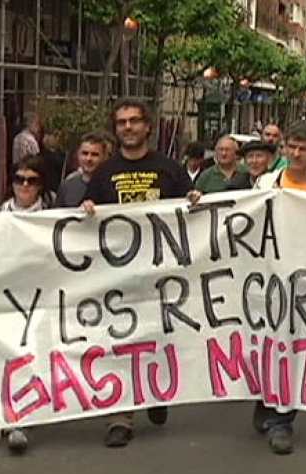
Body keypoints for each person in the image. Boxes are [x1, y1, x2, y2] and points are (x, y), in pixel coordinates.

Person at [189, 121, 306, 455]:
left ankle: (282, 418)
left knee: (295, 347)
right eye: (292, 147)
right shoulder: (264, 185)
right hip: (265, 278)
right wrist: (202, 203)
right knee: (266, 344)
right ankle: (265, 394)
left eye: (304, 149)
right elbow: (237, 215)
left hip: (303, 283)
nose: (296, 154)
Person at [80, 98, 192, 448]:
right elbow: (86, 220)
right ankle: (121, 417)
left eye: (134, 121)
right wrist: (86, 210)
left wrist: (195, 202)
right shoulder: (104, 173)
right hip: (119, 276)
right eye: (121, 123)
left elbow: (187, 217)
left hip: (161, 274)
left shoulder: (169, 169)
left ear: (148, 126)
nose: (128, 127)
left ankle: (155, 392)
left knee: (157, 337)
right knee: (120, 340)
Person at [0, 155, 55, 453]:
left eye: (31, 180)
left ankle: (23, 415)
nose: (24, 186)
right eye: (19, 179)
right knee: (9, 354)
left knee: (33, 354)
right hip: (7, 296)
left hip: (40, 296)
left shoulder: (55, 216)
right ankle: (11, 414)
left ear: (41, 185)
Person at [56, 133, 109, 208]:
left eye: (95, 154)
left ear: (104, 157)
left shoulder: (111, 183)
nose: (89, 159)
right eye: (85, 153)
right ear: (78, 155)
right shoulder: (67, 185)